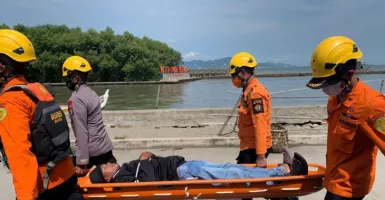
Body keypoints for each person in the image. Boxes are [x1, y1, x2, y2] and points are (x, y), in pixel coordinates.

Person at [0, 29, 84, 199]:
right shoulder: (37, 89)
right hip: (66, 173)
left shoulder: (11, 101)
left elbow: (21, 158)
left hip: (44, 185)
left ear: (2, 66)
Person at [306, 36, 385, 200]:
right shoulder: (334, 99)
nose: (323, 90)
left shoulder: (372, 104)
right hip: (334, 179)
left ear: (348, 74)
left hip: (350, 187)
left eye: (327, 83)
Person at [88, 149, 308, 184]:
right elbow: (145, 180)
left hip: (184, 165)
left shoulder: (125, 168)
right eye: (104, 167)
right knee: (234, 174)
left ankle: (279, 171)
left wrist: (146, 157)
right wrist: (144, 161)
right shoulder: (122, 179)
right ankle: (282, 173)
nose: (108, 163)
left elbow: (147, 167)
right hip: (181, 173)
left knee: (232, 168)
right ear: (107, 177)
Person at [62, 55, 116, 177]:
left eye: (68, 77)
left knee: (72, 183)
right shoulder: (92, 93)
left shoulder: (76, 99)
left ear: (75, 79)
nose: (67, 81)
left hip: (92, 151)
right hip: (105, 147)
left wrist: (81, 162)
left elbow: (81, 131)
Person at [228, 52, 273, 167]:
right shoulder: (248, 91)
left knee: (247, 182)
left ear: (243, 72)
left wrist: (261, 156)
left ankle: (285, 169)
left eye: (234, 75)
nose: (233, 79)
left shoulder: (256, 94)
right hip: (248, 146)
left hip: (254, 149)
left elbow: (260, 125)